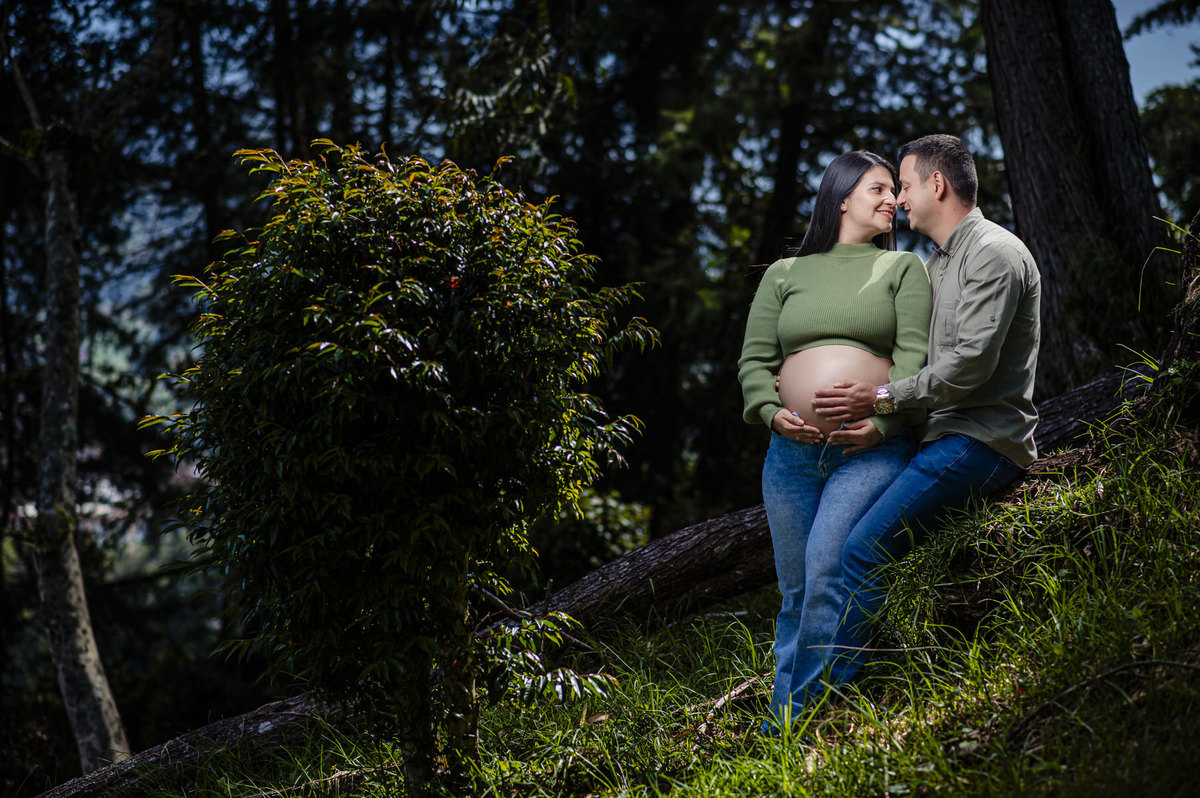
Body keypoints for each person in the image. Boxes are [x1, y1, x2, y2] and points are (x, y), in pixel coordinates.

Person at [808, 133, 1042, 697]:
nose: (899, 201)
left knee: (865, 548)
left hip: (979, 439)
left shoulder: (995, 252)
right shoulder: (932, 265)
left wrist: (881, 400)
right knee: (833, 546)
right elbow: (898, 347)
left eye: (906, 185)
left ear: (937, 184)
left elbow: (969, 368)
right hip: (932, 437)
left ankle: (830, 702)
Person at [737, 150, 932, 726]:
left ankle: (799, 723)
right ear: (841, 197)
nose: (892, 200)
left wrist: (883, 423)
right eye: (878, 189)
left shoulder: (903, 270)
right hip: (791, 456)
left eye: (894, 191)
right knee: (796, 593)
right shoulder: (785, 274)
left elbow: (915, 361)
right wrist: (772, 412)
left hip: (867, 450)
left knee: (827, 571)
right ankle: (785, 726)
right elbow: (753, 362)